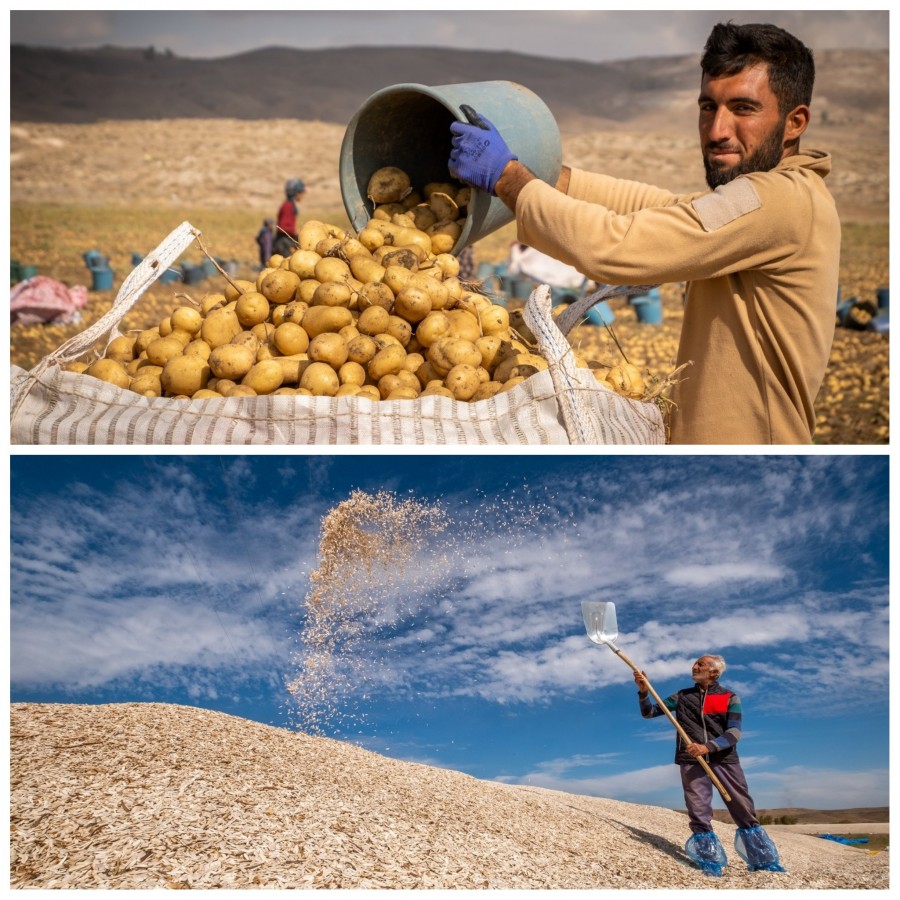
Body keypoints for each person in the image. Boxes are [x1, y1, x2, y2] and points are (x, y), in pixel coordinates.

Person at [448, 22, 840, 445]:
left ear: (795, 122)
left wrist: (509, 178)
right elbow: (654, 207)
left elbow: (616, 246)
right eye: (708, 107)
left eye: (743, 109)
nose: (717, 130)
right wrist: (544, 176)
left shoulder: (779, 200)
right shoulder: (778, 198)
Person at [634, 655, 786, 875]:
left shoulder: (729, 697)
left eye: (701, 664)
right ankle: (710, 862)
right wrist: (643, 690)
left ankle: (763, 860)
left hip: (724, 759)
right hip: (691, 760)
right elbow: (649, 713)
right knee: (698, 810)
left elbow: (734, 733)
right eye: (695, 663)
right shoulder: (682, 696)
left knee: (741, 806)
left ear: (714, 672)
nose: (695, 666)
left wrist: (708, 747)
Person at [274, 178, 306, 257]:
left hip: (285, 240)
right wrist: (296, 232)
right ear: (296, 193)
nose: (302, 195)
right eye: (301, 192)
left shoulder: (289, 205)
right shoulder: (288, 206)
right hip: (283, 243)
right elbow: (282, 226)